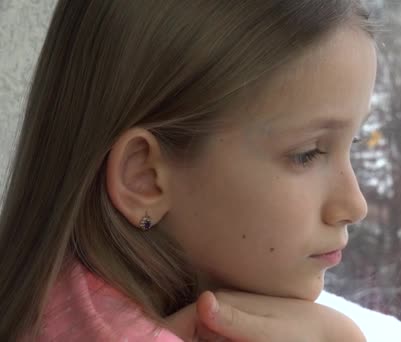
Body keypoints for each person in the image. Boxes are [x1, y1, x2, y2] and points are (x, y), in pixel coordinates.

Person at [0, 0, 378, 340]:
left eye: (353, 144)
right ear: (145, 178)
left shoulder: (51, 291)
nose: (354, 205)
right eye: (307, 154)